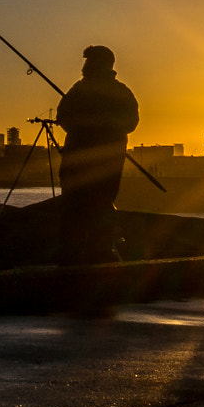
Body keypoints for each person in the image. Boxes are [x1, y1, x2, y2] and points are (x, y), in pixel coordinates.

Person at [53, 45, 139, 266]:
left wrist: (93, 124)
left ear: (100, 64)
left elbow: (63, 117)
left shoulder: (81, 90)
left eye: (89, 61)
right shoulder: (116, 92)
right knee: (87, 205)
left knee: (86, 205)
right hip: (92, 161)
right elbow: (130, 123)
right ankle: (88, 253)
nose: (85, 65)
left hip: (91, 161)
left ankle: (88, 254)